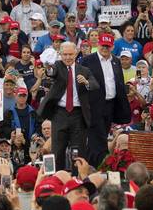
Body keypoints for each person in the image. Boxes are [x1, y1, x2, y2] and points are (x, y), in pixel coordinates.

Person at [37, 42, 98, 170]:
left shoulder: (84, 70)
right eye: (65, 54)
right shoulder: (58, 66)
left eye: (70, 54)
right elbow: (51, 72)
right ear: (60, 55)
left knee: (78, 151)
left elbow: (95, 84)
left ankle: (79, 179)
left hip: (78, 115)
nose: (68, 57)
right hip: (59, 113)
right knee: (56, 150)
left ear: (76, 54)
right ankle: (53, 178)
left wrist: (86, 82)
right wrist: (48, 67)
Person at [81, 34, 131, 166]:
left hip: (110, 104)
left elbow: (118, 82)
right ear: (98, 44)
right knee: (97, 138)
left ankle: (98, 165)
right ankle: (98, 165)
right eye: (103, 45)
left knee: (103, 136)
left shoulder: (115, 60)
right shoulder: (87, 61)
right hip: (94, 105)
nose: (105, 49)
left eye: (108, 46)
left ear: (112, 47)